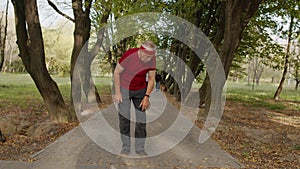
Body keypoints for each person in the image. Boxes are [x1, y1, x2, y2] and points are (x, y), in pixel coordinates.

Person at [113, 40, 156, 157]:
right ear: (141, 50)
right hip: (124, 88)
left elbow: (151, 79)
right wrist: (118, 93)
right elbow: (116, 73)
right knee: (124, 119)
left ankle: (140, 149)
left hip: (140, 89)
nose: (148, 60)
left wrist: (146, 97)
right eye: (146, 57)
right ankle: (125, 148)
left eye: (150, 57)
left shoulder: (152, 58)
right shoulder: (129, 55)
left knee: (141, 119)